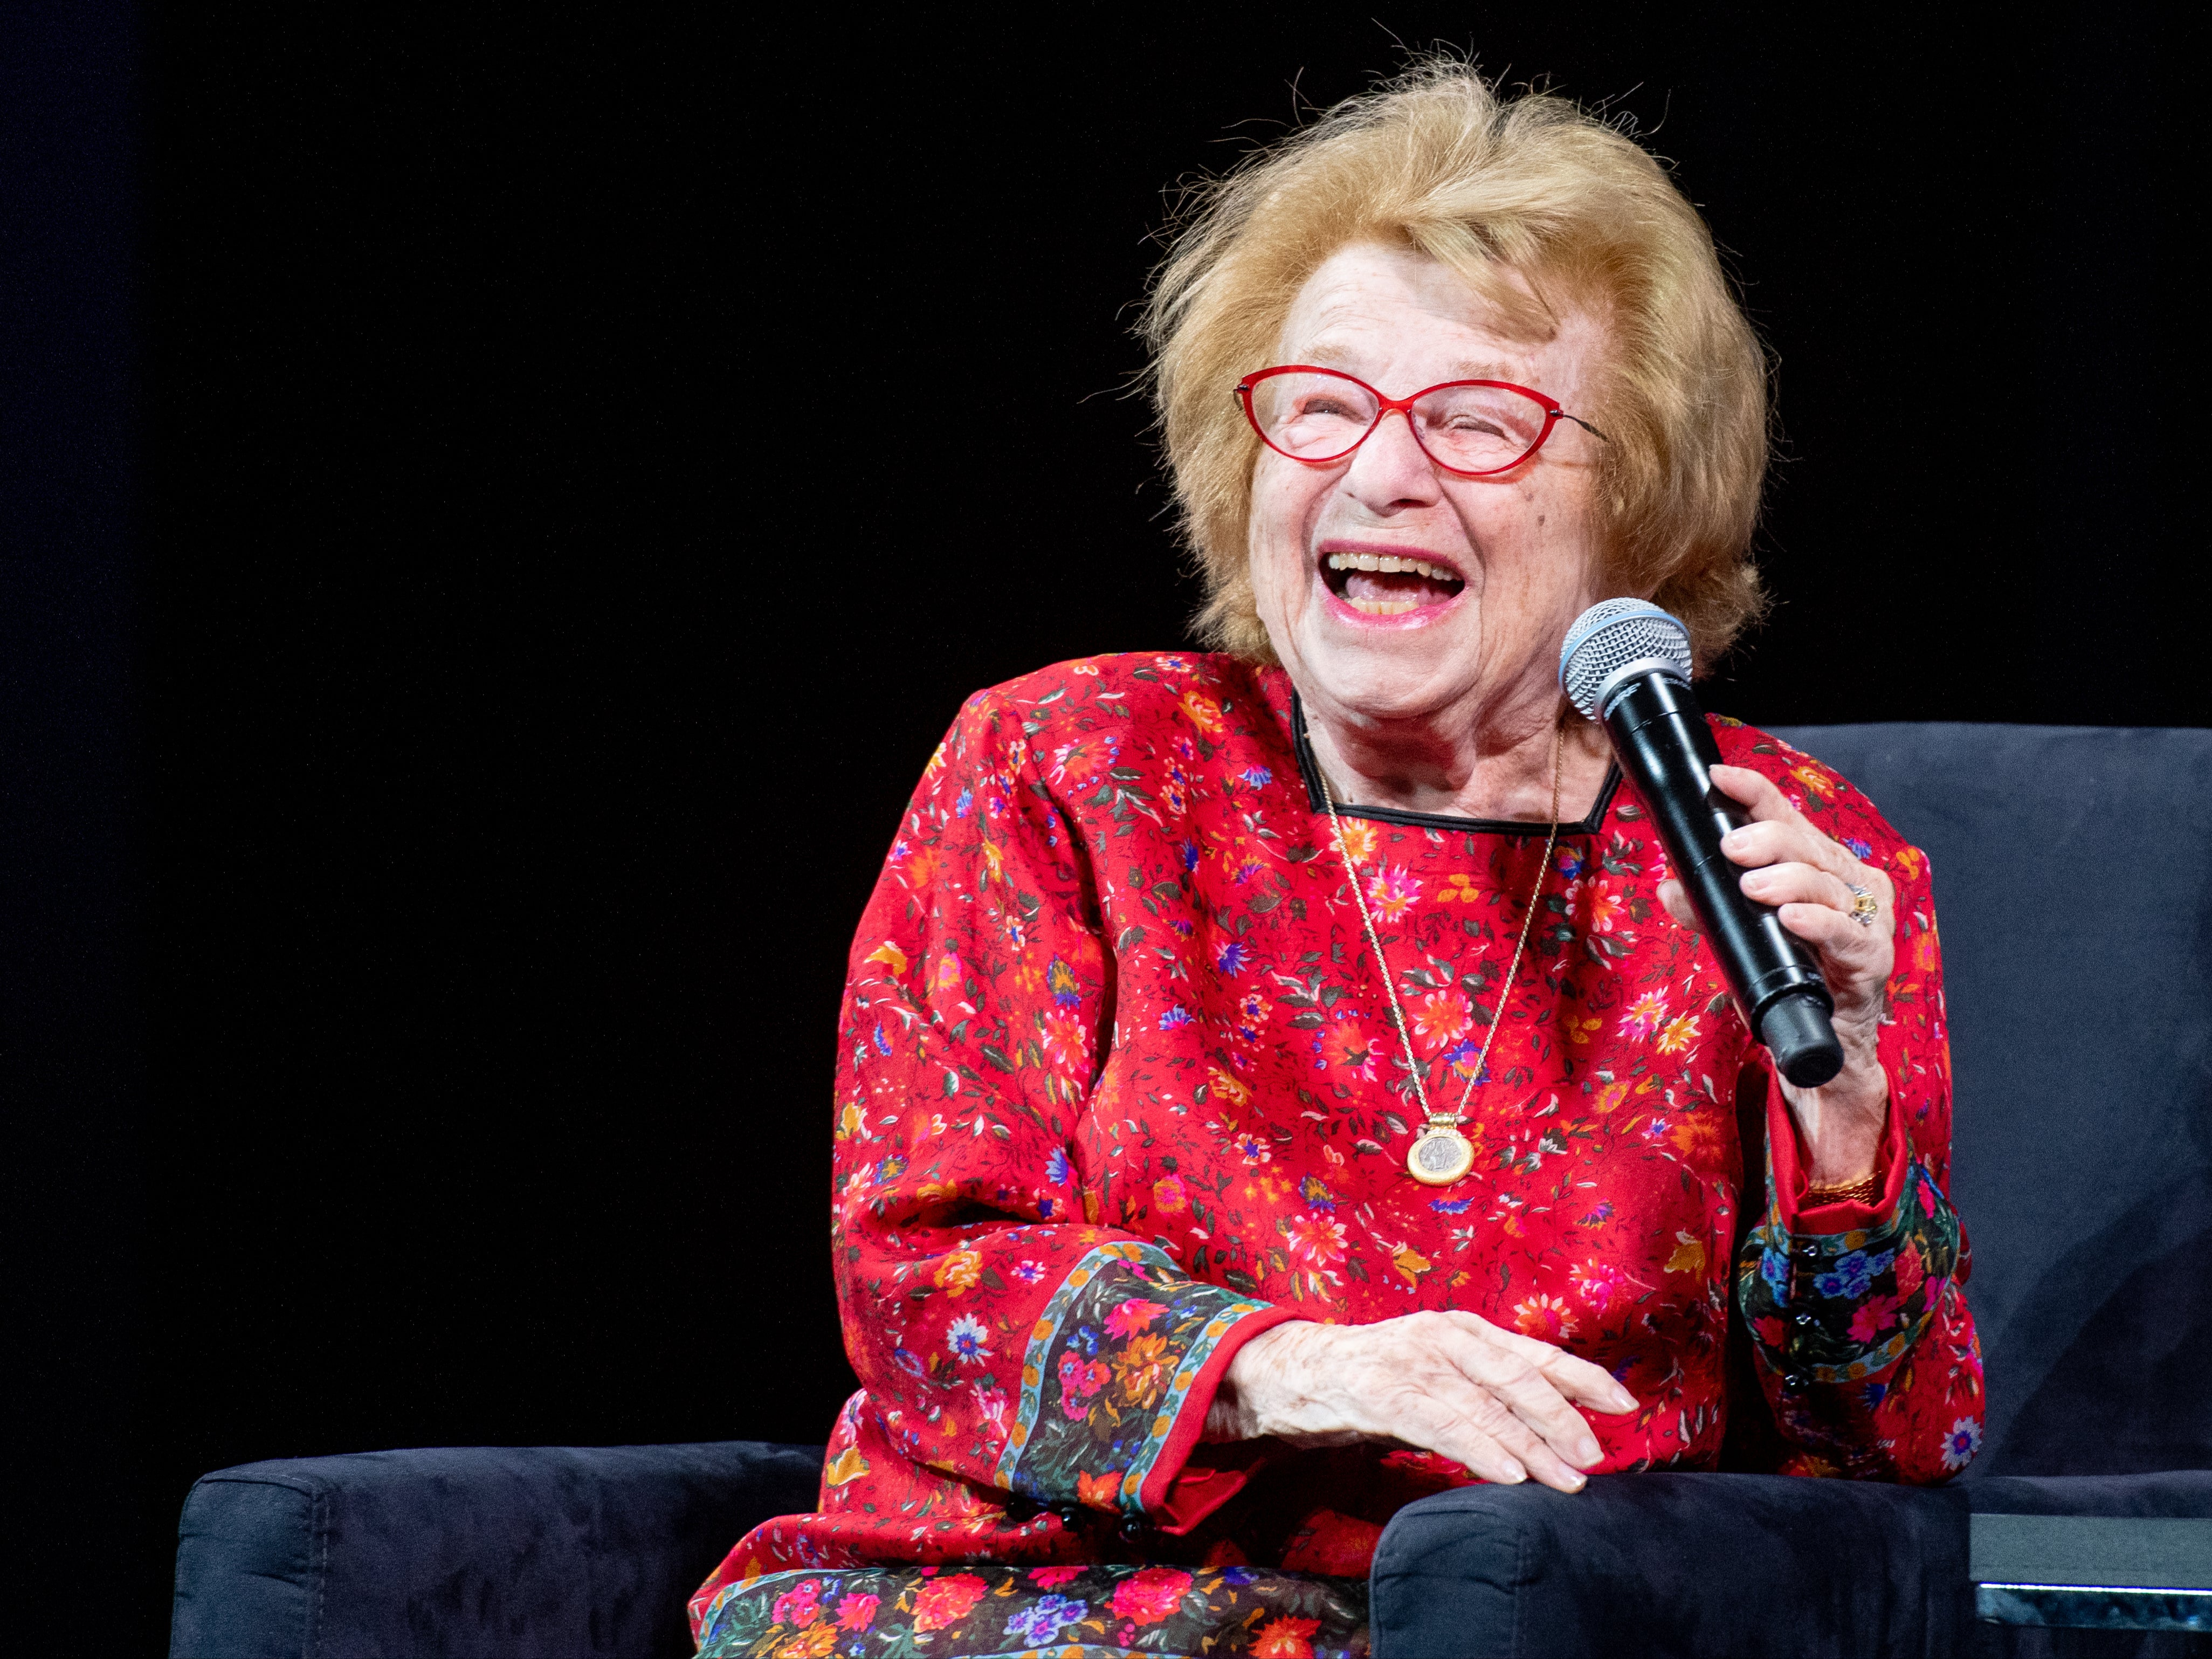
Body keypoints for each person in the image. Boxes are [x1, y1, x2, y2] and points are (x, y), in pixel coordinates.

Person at [691, 61, 1982, 1659]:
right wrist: (1299, 1366)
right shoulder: (1070, 767)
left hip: (1505, 1626)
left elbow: (1889, 1465)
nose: (1381, 473)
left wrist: (1844, 1112)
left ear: (1634, 502)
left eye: (1478, 422)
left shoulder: (1792, 861)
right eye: (1323, 406)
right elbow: (926, 1284)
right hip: (1019, 1602)